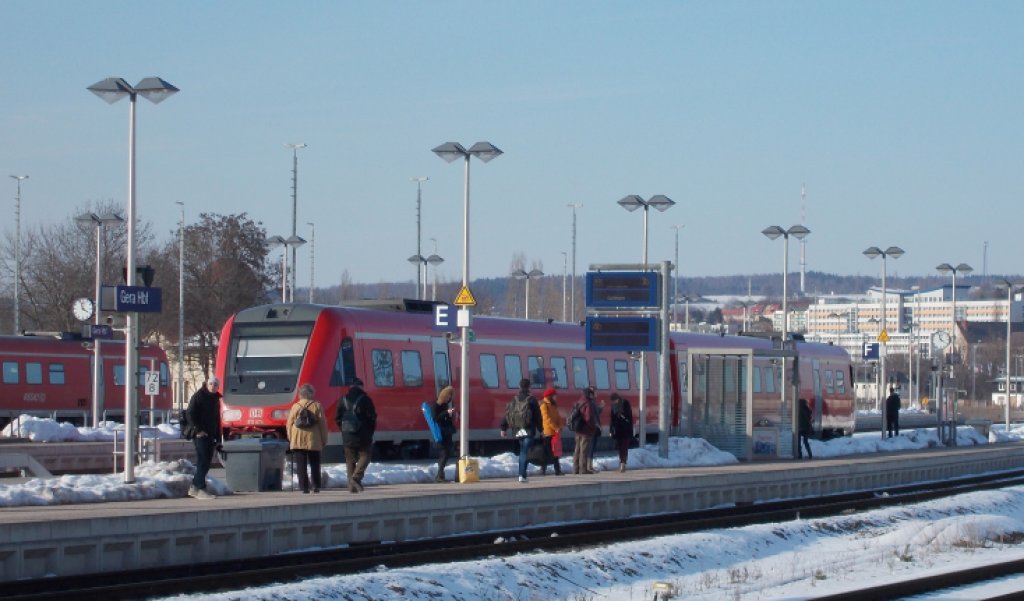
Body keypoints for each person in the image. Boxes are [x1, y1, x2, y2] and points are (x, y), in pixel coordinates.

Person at [336, 378, 377, 493]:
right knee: (366, 456)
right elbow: (372, 418)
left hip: (347, 435)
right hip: (363, 434)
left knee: (350, 461)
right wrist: (369, 432)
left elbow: (337, 418)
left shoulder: (342, 399)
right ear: (361, 387)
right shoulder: (365, 399)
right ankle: (356, 478)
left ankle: (351, 487)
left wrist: (344, 430)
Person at [286, 383, 329, 493]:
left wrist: (291, 438)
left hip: (298, 439)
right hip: (313, 439)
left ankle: (304, 487)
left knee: (301, 465)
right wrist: (324, 439)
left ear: (301, 394)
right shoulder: (317, 406)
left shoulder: (296, 406)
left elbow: (289, 423)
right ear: (311, 394)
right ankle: (316, 486)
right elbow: (323, 424)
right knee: (315, 464)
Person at [185, 377, 221, 499]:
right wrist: (197, 430)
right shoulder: (199, 396)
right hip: (200, 434)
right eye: (210, 384)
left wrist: (218, 437)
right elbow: (190, 413)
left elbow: (217, 419)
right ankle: (198, 487)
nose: (213, 386)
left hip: (210, 434)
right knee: (203, 460)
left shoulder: (216, 399)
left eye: (215, 384)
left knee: (206, 462)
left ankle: (198, 487)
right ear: (206, 384)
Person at [500, 378, 542, 483]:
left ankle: (522, 475)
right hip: (528, 430)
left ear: (519, 387)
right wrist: (541, 430)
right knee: (524, 451)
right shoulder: (532, 400)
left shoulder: (514, 400)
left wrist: (503, 428)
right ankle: (522, 475)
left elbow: (507, 414)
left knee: (523, 450)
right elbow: (538, 416)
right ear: (529, 387)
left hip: (518, 430)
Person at [571, 387, 600, 474]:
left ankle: (575, 469)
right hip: (585, 430)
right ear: (589, 394)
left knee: (577, 450)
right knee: (584, 450)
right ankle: (583, 469)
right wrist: (593, 427)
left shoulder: (579, 402)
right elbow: (589, 417)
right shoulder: (588, 403)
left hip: (578, 429)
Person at [433, 385, 457, 482]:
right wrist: (446, 413)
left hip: (447, 433)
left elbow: (446, 419)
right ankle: (439, 476)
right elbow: (436, 418)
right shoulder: (436, 405)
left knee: (447, 453)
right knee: (444, 453)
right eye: (448, 396)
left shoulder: (445, 406)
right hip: (441, 433)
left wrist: (451, 415)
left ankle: (440, 475)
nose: (449, 398)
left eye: (450, 396)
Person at [538, 387, 564, 476]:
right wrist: (555, 427)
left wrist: (560, 426)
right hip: (547, 432)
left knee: (555, 451)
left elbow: (558, 417)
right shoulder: (544, 405)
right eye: (554, 395)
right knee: (547, 451)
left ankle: (557, 470)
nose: (556, 397)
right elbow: (546, 419)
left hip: (554, 432)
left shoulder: (553, 405)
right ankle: (543, 469)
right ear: (550, 396)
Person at [608, 393, 634, 472]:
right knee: (621, 447)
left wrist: (611, 429)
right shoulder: (615, 406)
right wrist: (611, 430)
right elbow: (612, 419)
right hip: (620, 429)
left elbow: (628, 416)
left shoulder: (625, 404)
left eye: (614, 401)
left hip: (624, 429)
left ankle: (623, 463)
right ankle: (622, 463)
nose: (613, 402)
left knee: (623, 447)